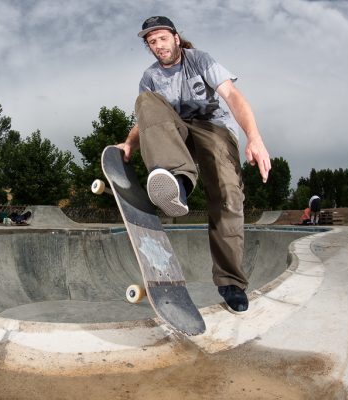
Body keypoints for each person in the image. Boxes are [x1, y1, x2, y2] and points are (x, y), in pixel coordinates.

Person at [116, 16, 271, 313]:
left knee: (228, 196)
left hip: (213, 129)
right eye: (152, 42)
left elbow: (233, 96)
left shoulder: (199, 60)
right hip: (177, 132)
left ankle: (231, 282)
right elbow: (145, 120)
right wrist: (128, 144)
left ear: (175, 38)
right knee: (146, 102)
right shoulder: (150, 77)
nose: (158, 46)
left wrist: (254, 137)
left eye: (162, 39)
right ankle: (180, 183)